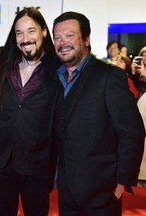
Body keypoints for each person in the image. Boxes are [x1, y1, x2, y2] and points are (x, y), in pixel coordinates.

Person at [52, 11, 145, 216]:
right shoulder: (55, 78)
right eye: (57, 37)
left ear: (86, 39)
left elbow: (133, 131)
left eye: (69, 35)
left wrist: (123, 180)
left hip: (102, 189)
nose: (62, 42)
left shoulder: (109, 76)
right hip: (67, 190)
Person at [0, 7, 61, 216]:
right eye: (19, 33)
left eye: (31, 31)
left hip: (37, 160)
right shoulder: (5, 61)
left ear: (44, 32)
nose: (25, 38)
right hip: (3, 159)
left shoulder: (58, 68)